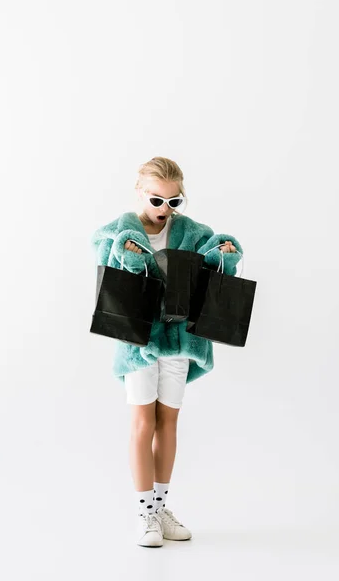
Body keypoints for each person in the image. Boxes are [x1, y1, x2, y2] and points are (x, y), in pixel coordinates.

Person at [91, 156, 243, 547]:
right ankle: (144, 516)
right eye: (157, 200)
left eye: (174, 202)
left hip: (177, 339)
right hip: (139, 341)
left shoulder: (191, 232)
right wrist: (125, 254)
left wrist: (226, 251)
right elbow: (106, 269)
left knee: (169, 422)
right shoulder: (119, 231)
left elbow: (212, 261)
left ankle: (160, 509)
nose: (164, 210)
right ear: (140, 192)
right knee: (143, 422)